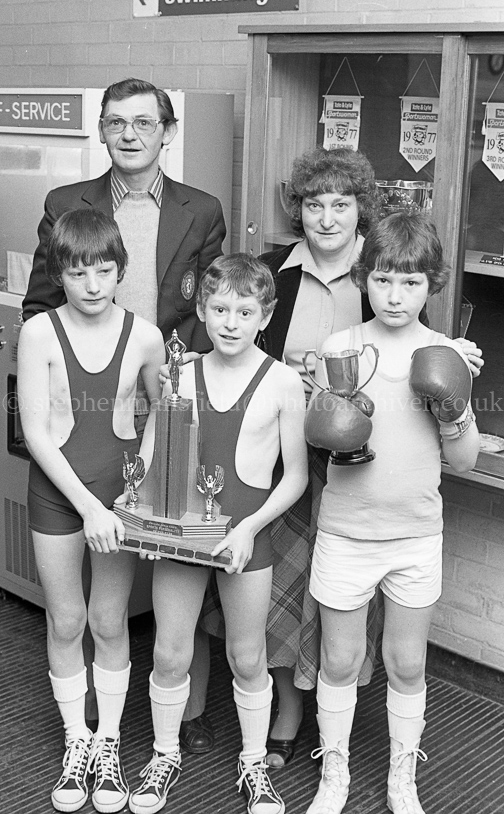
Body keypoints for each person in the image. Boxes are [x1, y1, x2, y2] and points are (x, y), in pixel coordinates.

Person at [255, 146, 484, 768]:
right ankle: (298, 724)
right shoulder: (276, 276)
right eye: (313, 204)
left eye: (341, 204)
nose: (326, 217)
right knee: (289, 600)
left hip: (385, 495)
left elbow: (431, 389)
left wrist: (455, 386)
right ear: (296, 210)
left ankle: (377, 756)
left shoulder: (398, 287)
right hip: (299, 462)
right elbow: (246, 348)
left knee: (381, 646)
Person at [22, 76, 226, 754]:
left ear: (167, 131)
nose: (130, 133)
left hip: (161, 409)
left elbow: (211, 315)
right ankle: (90, 739)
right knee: (71, 610)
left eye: (144, 122)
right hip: (78, 411)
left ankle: (181, 714)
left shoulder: (201, 210)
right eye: (116, 122)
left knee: (171, 569)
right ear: (102, 132)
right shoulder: (65, 203)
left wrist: (174, 393)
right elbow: (38, 305)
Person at [305, 211, 480, 814]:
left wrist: (454, 403)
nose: (395, 295)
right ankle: (335, 775)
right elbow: (324, 444)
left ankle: (402, 778)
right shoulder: (340, 349)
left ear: (431, 284)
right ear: (363, 279)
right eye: (382, 280)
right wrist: (327, 420)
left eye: (409, 282)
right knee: (339, 659)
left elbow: (464, 459)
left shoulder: (445, 353)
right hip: (347, 533)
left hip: (414, 537)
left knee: (406, 662)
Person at [128, 254, 308, 814]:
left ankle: (253, 765)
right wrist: (143, 516)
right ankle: (163, 755)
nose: (231, 321)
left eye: (244, 310)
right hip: (181, 534)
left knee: (248, 657)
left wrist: (252, 527)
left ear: (265, 315)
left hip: (244, 537)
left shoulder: (282, 382)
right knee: (170, 653)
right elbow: (153, 455)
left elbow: (297, 476)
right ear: (203, 312)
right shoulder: (178, 373)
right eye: (220, 309)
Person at [17, 209, 166, 813]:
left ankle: (107, 743)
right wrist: (88, 506)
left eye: (105, 271)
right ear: (61, 274)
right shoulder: (39, 334)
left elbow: (164, 409)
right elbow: (35, 431)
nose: (93, 285)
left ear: (120, 270)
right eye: (79, 273)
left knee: (109, 622)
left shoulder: (147, 335)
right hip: (59, 492)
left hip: (119, 497)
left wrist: (135, 491)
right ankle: (76, 742)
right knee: (65, 621)